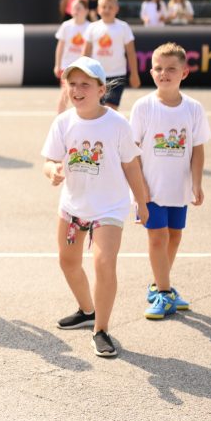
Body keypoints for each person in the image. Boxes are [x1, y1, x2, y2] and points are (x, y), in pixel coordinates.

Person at [42, 56, 149, 358]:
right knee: (68, 262)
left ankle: (100, 329)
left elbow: (131, 166)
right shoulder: (63, 122)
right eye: (72, 84)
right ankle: (87, 310)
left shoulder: (117, 124)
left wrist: (141, 202)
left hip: (109, 208)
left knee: (104, 264)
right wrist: (53, 171)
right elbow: (49, 161)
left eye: (85, 85)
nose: (77, 90)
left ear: (102, 89)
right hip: (72, 207)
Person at [128, 43, 211, 320]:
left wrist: (196, 184)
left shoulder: (194, 109)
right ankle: (164, 293)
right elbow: (132, 151)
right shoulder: (143, 107)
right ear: (151, 72)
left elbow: (198, 148)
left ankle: (159, 285)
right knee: (158, 237)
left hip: (179, 187)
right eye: (159, 68)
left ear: (184, 73)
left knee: (174, 237)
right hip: (151, 188)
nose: (164, 73)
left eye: (171, 69)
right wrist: (140, 189)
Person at [82, 0, 140, 110]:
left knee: (111, 108)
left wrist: (134, 74)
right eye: (104, 7)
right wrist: (82, 72)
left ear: (116, 9)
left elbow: (130, 52)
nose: (107, 10)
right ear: (98, 9)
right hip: (96, 75)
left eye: (110, 7)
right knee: (96, 108)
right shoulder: (92, 27)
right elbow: (85, 52)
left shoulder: (123, 27)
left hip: (117, 75)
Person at [54, 0, 91, 113]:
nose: (75, 10)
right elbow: (60, 46)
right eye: (73, 8)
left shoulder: (90, 27)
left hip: (85, 68)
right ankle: (59, 119)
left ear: (86, 11)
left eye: (79, 8)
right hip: (67, 66)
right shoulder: (66, 26)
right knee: (65, 92)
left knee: (85, 94)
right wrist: (57, 65)